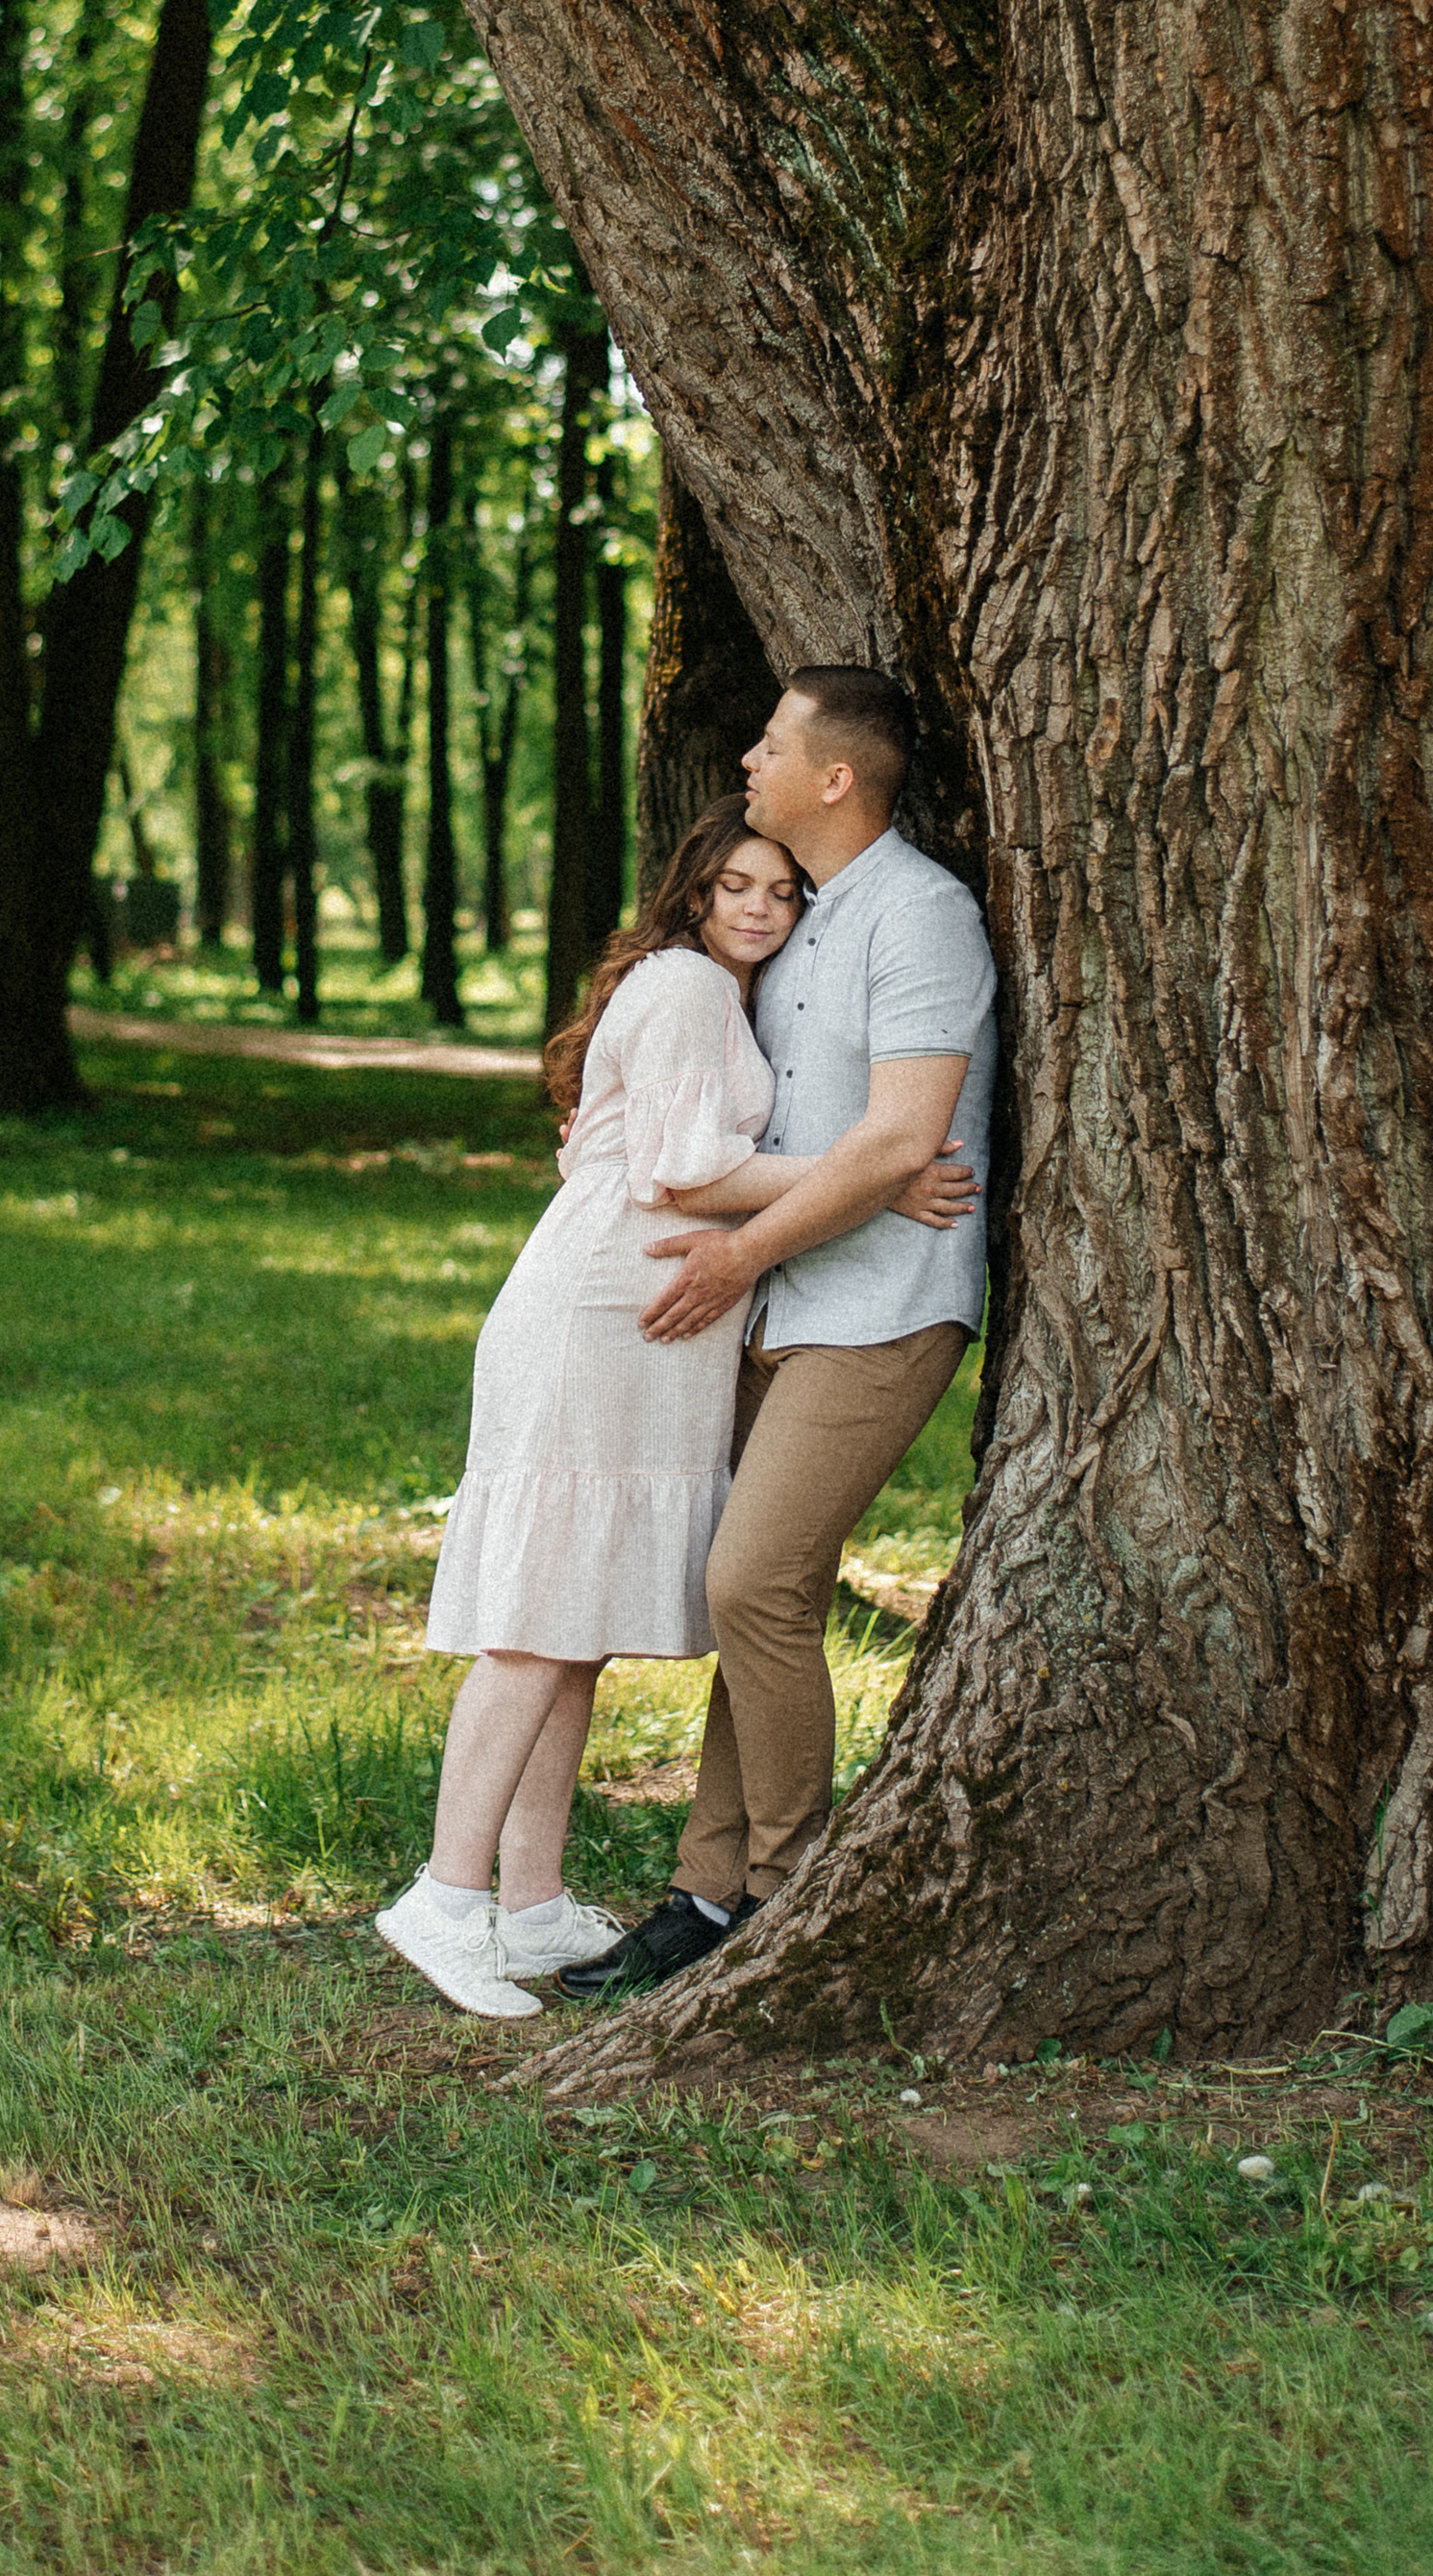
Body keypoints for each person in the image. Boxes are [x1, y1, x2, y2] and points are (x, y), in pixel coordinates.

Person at [378, 791, 976, 2020]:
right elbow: (685, 1170)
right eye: (735, 887)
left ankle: (533, 1903)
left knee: (574, 1622)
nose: (760, 908)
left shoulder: (705, 991)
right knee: (538, 1618)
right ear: (692, 894)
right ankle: (443, 1897)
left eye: (781, 890)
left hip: (647, 1318)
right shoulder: (687, 986)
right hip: (608, 1314)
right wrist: (874, 1173)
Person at [559, 665, 999, 2000]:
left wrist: (744, 1242)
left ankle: (792, 1883)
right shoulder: (789, 913)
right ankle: (708, 1888)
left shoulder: (920, 916)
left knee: (751, 1580)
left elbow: (900, 1133)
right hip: (777, 1300)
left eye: (772, 741)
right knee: (757, 1593)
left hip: (881, 1301)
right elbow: (747, 1116)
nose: (746, 755)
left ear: (837, 776)